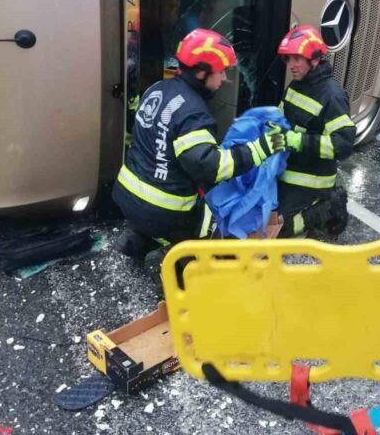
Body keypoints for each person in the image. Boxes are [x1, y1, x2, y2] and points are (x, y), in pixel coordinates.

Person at [113, 28, 285, 265]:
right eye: (221, 71)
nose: (225, 78)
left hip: (126, 195)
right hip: (165, 210)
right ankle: (180, 264)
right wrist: (259, 149)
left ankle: (137, 239)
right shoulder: (193, 113)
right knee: (207, 220)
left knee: (153, 210)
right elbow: (209, 168)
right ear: (202, 73)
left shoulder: (157, 89)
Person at [275, 25, 356, 238]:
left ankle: (328, 207)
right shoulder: (297, 85)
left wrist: (298, 141)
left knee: (280, 229)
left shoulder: (332, 96)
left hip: (311, 180)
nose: (291, 66)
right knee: (259, 213)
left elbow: (344, 145)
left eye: (297, 59)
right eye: (288, 60)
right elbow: (281, 119)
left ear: (314, 59)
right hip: (287, 170)